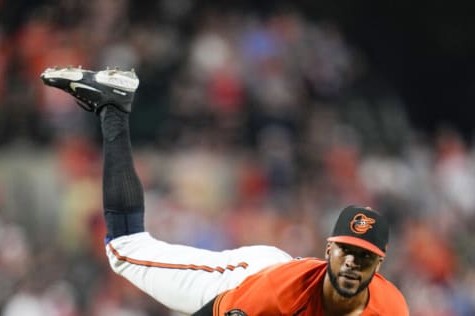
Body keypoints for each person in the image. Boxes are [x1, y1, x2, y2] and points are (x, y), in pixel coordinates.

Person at [41, 66, 409, 316]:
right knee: (125, 250)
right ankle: (113, 106)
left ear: (380, 264)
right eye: (347, 250)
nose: (351, 263)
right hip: (246, 281)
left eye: (363, 257)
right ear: (329, 248)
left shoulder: (391, 308)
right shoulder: (278, 294)